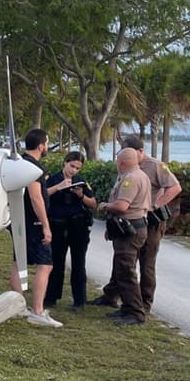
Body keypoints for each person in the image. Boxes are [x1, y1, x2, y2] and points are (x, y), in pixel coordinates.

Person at [92, 135, 181, 312]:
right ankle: (112, 294)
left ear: (140, 151)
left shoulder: (155, 165)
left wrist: (155, 205)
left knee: (146, 262)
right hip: (128, 219)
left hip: (150, 220)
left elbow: (175, 187)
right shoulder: (129, 167)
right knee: (123, 259)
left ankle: (144, 302)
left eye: (131, 152)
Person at [8, 128, 62, 327]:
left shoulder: (19, 162)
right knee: (45, 265)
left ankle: (16, 305)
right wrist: (46, 225)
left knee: (19, 261)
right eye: (47, 143)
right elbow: (35, 197)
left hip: (20, 219)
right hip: (33, 222)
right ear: (41, 146)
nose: (47, 146)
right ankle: (37, 311)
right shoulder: (32, 168)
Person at [96, 148, 152, 326]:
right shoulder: (141, 175)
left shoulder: (131, 179)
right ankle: (127, 308)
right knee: (122, 269)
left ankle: (135, 312)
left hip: (130, 229)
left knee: (126, 271)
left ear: (122, 162)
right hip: (130, 228)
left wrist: (105, 205)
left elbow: (122, 206)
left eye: (117, 161)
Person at [43, 151, 97, 312]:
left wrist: (81, 195)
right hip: (57, 225)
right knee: (56, 263)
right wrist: (58, 188)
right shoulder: (52, 179)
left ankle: (79, 300)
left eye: (77, 168)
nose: (73, 170)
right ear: (65, 163)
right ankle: (51, 297)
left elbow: (93, 203)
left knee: (78, 263)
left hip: (77, 226)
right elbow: (40, 196)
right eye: (72, 166)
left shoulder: (80, 181)